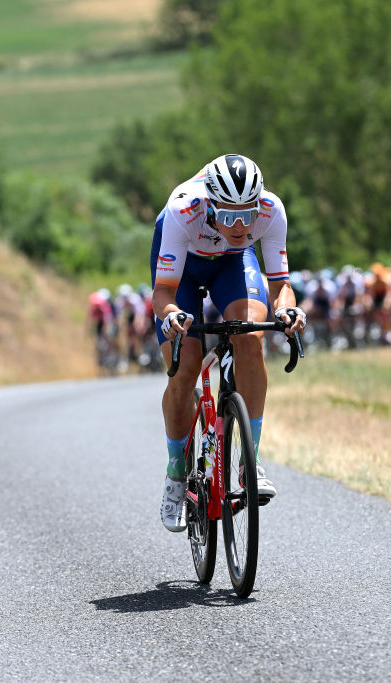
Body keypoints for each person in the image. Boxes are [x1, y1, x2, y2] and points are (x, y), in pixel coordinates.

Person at [150, 153, 306, 532]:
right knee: (185, 369)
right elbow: (163, 291)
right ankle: (175, 475)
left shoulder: (271, 209)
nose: (239, 225)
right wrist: (172, 315)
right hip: (183, 272)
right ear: (210, 202)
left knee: (251, 339)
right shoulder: (184, 209)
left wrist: (287, 311)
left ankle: (249, 462)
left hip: (233, 264)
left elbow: (280, 284)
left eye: (247, 215)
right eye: (228, 215)